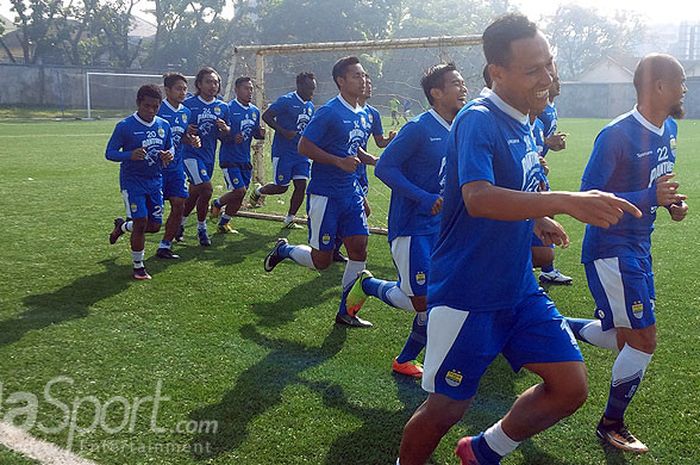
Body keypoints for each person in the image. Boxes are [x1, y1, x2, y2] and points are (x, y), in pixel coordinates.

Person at [397, 14, 642, 465]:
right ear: (497, 72)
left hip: (518, 288)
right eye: (533, 70)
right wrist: (564, 200)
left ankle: (483, 450)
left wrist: (536, 219)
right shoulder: (477, 120)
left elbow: (517, 187)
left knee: (570, 387)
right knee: (447, 407)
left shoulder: (526, 119)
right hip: (468, 293)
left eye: (549, 64)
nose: (547, 77)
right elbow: (478, 197)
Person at [564, 54, 688, 454]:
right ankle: (611, 423)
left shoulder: (668, 127)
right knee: (643, 338)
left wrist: (670, 204)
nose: (685, 89)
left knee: (624, 335)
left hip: (639, 244)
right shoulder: (616, 135)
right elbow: (587, 196)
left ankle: (544, 324)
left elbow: (659, 183)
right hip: (610, 247)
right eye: (680, 82)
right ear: (658, 87)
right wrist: (649, 197)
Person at [345, 63, 466, 378]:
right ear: (436, 93)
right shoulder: (419, 128)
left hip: (444, 229)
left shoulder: (461, 128)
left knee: (438, 300)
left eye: (463, 82)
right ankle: (368, 285)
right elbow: (385, 167)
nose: (463, 88)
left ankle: (405, 360)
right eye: (456, 83)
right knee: (420, 301)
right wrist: (424, 198)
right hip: (412, 227)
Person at [263, 56, 374, 328]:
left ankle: (346, 311)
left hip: (351, 192)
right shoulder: (329, 111)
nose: (362, 80)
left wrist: (372, 160)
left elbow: (351, 146)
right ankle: (285, 250)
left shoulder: (362, 112)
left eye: (363, 75)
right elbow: (304, 146)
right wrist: (338, 162)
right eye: (356, 76)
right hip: (325, 194)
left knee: (359, 248)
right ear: (341, 81)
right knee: (321, 261)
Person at [106, 84, 174, 280]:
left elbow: (170, 147)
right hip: (132, 181)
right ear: (138, 104)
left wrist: (167, 155)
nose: (151, 110)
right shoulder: (125, 126)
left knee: (153, 226)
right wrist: (130, 155)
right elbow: (109, 153)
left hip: (155, 180)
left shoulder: (163, 125)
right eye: (146, 106)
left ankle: (122, 227)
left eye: (155, 106)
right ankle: (138, 266)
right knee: (141, 220)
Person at [248, 72, 316, 229]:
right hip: (283, 152)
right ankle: (259, 191)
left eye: (313, 88)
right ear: (299, 86)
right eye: (309, 88)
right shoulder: (286, 101)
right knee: (281, 187)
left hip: (301, 154)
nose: (312, 92)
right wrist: (282, 131)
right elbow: (266, 116)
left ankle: (290, 218)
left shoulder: (310, 106)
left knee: (301, 185)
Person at [180, 67, 231, 246]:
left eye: (216, 82)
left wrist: (225, 129)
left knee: (196, 193)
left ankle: (180, 224)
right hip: (190, 155)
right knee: (207, 189)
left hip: (208, 156)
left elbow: (225, 135)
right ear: (199, 84)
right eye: (208, 82)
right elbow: (178, 129)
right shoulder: (189, 105)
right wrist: (187, 132)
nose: (213, 85)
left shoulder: (223, 107)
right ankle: (202, 228)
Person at [154, 73, 201, 259]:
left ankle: (165, 245)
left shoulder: (185, 112)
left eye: (184, 89)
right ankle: (126, 226)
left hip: (176, 168)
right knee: (151, 219)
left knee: (179, 204)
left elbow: (180, 135)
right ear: (167, 90)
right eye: (178, 89)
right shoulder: (157, 109)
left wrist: (191, 140)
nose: (183, 92)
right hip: (155, 169)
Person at [210, 76, 265, 233]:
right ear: (236, 90)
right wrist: (231, 136)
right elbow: (220, 134)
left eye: (251, 89)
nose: (249, 92)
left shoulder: (254, 111)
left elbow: (255, 133)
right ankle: (217, 203)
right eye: (246, 88)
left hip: (244, 158)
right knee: (239, 191)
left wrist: (260, 133)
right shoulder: (228, 108)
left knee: (240, 195)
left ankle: (224, 223)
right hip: (229, 158)